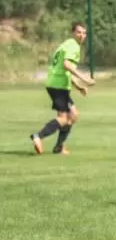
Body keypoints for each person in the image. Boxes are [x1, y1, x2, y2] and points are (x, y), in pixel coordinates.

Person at [30, 22, 95, 155]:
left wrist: (79, 87)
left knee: (73, 115)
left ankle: (59, 147)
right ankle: (38, 136)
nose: (82, 35)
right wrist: (84, 78)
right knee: (64, 118)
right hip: (58, 86)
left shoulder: (66, 44)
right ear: (73, 33)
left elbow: (65, 70)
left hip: (57, 84)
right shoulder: (73, 46)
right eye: (79, 32)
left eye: (84, 33)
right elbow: (67, 65)